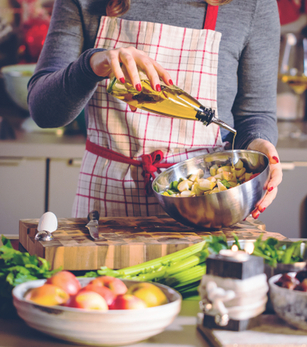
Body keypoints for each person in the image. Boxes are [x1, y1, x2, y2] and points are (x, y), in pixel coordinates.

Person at [27, 0, 283, 220]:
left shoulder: (252, 5)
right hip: (105, 210)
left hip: (207, 203)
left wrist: (258, 144)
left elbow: (254, 114)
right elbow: (44, 112)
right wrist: (92, 64)